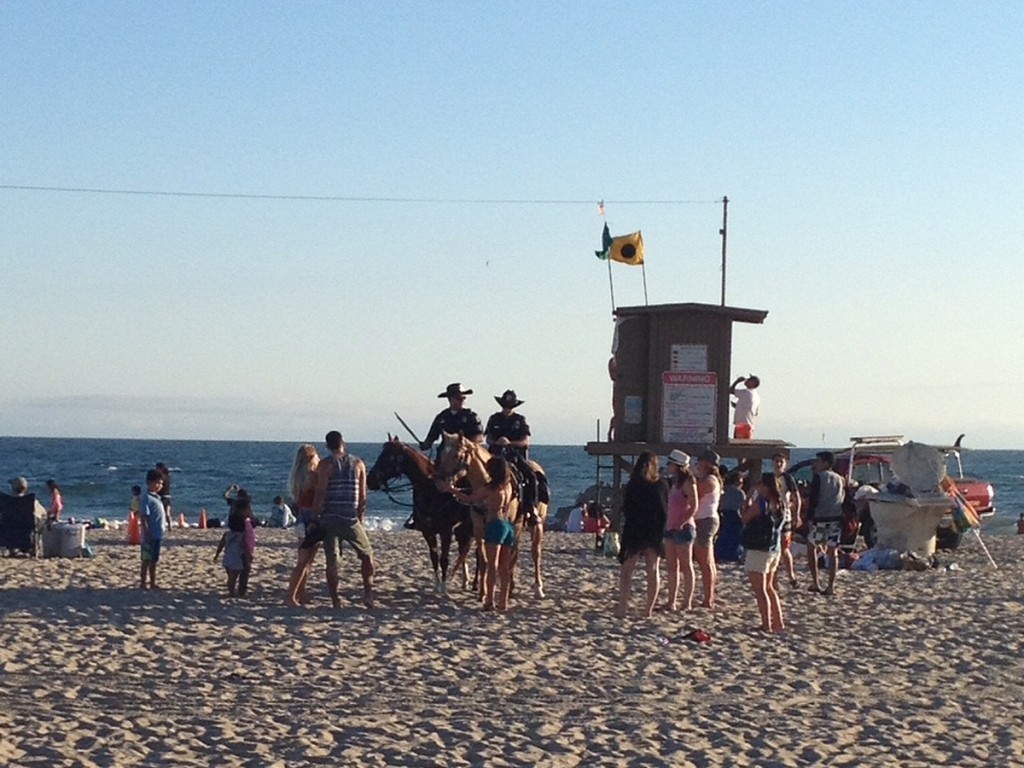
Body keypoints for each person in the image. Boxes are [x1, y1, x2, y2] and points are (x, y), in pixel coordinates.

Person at [313, 430, 374, 609]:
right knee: (367, 556)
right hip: (351, 518)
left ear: (327, 445)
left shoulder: (325, 465)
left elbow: (321, 493)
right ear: (343, 443)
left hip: (330, 517)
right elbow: (363, 496)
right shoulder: (358, 464)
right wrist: (361, 517)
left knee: (332, 561)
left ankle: (336, 600)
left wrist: (315, 516)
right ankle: (368, 594)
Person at [452, 455, 517, 612]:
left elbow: (470, 498)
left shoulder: (490, 488)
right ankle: (503, 602)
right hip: (508, 526)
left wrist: (451, 489)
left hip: (494, 525)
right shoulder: (508, 486)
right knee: (504, 567)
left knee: (491, 566)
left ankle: (489, 600)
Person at [614, 452, 667, 619]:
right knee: (652, 569)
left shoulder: (632, 484)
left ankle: (622, 607)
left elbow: (627, 508)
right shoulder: (661, 485)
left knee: (627, 570)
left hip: (634, 529)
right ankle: (648, 609)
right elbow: (664, 510)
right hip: (653, 529)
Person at [485, 388, 544, 525]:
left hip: (515, 456)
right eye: (505, 406)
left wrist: (510, 443)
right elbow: (488, 439)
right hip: (495, 456)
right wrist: (497, 442)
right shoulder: (494, 419)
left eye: (509, 406)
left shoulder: (520, 420)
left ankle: (531, 508)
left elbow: (525, 441)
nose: (507, 408)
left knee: (530, 476)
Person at [741, 472, 786, 633]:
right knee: (769, 587)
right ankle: (778, 622)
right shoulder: (780, 502)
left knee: (760, 589)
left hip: (759, 547)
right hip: (775, 548)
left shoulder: (761, 502)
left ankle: (766, 623)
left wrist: (747, 499)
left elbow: (745, 518)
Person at [285, 444, 322, 606]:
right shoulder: (313, 476)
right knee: (304, 560)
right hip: (310, 517)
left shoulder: (297, 478)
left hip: (301, 517)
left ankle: (301, 591)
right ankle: (292, 595)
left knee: (306, 560)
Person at [661, 450, 698, 613]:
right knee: (671, 565)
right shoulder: (675, 483)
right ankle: (671, 600)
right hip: (670, 526)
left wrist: (681, 522)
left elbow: (694, 506)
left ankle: (687, 601)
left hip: (683, 528)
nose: (668, 466)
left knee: (686, 565)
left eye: (670, 464)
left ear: (677, 466)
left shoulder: (688, 483)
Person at [806, 451, 846, 596]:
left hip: (821, 518)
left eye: (818, 461)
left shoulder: (819, 477)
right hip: (836, 517)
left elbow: (814, 499)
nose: (815, 464)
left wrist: (809, 518)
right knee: (832, 551)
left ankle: (816, 582)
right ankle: (830, 585)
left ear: (825, 463)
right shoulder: (840, 478)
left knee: (811, 547)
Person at [692, 450, 722, 609]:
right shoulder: (708, 479)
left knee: (705, 561)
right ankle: (709, 595)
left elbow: (694, 494)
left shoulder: (709, 480)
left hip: (705, 520)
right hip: (704, 519)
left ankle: (708, 598)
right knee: (707, 561)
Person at [420, 383, 484, 453]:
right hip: (445, 454)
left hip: (466, 453)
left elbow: (479, 437)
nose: (462, 400)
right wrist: (425, 445)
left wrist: (466, 444)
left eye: (464, 398)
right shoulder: (442, 417)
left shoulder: (471, 417)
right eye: (458, 398)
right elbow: (431, 437)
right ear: (450, 399)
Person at [215, 491, 256, 597]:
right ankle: (236, 592)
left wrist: (217, 554)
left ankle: (232, 591)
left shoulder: (229, 532)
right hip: (237, 557)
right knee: (239, 574)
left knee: (231, 576)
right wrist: (249, 554)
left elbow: (221, 543)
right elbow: (247, 543)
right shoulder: (244, 525)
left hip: (228, 557)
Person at [771, 452, 801, 588]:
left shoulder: (787, 478)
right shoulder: (769, 478)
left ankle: (791, 576)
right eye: (776, 461)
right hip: (771, 517)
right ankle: (774, 579)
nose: (778, 464)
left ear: (785, 464)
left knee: (784, 547)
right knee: (772, 548)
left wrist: (797, 515)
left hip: (785, 516)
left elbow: (796, 497)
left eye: (781, 462)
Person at [139, 469, 168, 590]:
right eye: (156, 483)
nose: (159, 486)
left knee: (154, 560)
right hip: (149, 535)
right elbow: (144, 517)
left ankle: (152, 582)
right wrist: (147, 533)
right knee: (146, 560)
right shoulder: (146, 498)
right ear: (149, 482)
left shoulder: (158, 498)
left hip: (158, 534)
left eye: (161, 483)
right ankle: (143, 583)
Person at [730, 375, 761, 439]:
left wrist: (737, 381)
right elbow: (754, 412)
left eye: (749, 379)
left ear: (753, 383)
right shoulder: (757, 396)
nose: (747, 380)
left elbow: (730, 390)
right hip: (750, 426)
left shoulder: (746, 392)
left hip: (742, 425)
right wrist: (737, 406)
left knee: (737, 446)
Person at [155, 462, 173, 527]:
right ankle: (170, 525)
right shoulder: (168, 477)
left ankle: (161, 524)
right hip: (167, 496)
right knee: (167, 512)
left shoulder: (161, 477)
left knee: (159, 512)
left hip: (161, 496)